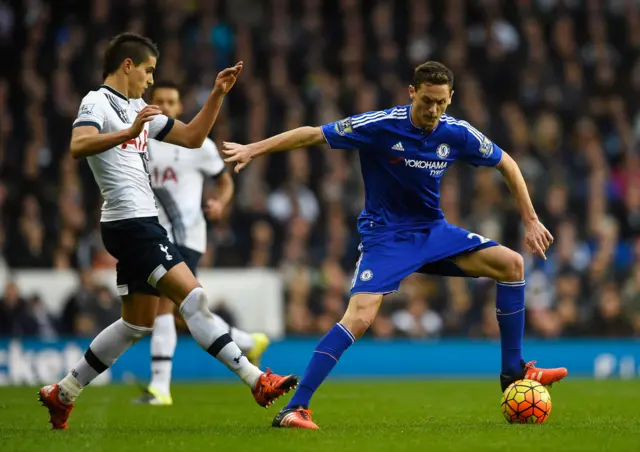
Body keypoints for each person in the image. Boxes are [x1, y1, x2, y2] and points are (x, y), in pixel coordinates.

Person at [223, 61, 568, 430]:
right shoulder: (379, 125)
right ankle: (295, 408)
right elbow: (311, 135)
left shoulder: (456, 133)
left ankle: (513, 374)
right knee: (359, 317)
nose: (433, 110)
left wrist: (530, 219)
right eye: (426, 101)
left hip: (433, 233)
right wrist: (254, 149)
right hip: (386, 237)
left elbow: (508, 164)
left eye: (440, 102)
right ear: (411, 93)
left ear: (450, 99)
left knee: (512, 264)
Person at [38, 33, 297, 431]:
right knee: (192, 298)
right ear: (128, 65)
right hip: (131, 223)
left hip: (137, 224)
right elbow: (79, 144)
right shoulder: (96, 101)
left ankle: (64, 391)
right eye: (148, 70)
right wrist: (126, 134)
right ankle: (255, 378)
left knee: (136, 324)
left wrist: (218, 94)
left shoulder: (140, 107)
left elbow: (193, 137)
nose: (149, 79)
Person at [133, 81, 270, 406]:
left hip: (187, 236)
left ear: (180, 108)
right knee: (185, 310)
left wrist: (221, 203)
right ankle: (247, 341)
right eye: (160, 101)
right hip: (152, 235)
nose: (166, 107)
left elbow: (225, 182)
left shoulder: (198, 144)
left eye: (171, 101)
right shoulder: (142, 141)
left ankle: (160, 388)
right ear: (151, 105)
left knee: (164, 305)